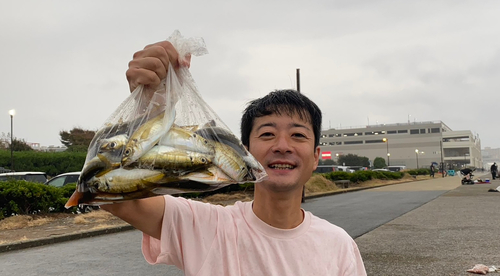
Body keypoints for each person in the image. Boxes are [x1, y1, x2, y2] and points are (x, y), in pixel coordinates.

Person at [101, 41, 367, 275]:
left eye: (298, 135)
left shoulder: (338, 245)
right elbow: (112, 194)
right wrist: (148, 104)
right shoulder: (206, 227)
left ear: (316, 156)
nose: (282, 146)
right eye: (267, 133)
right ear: (245, 152)